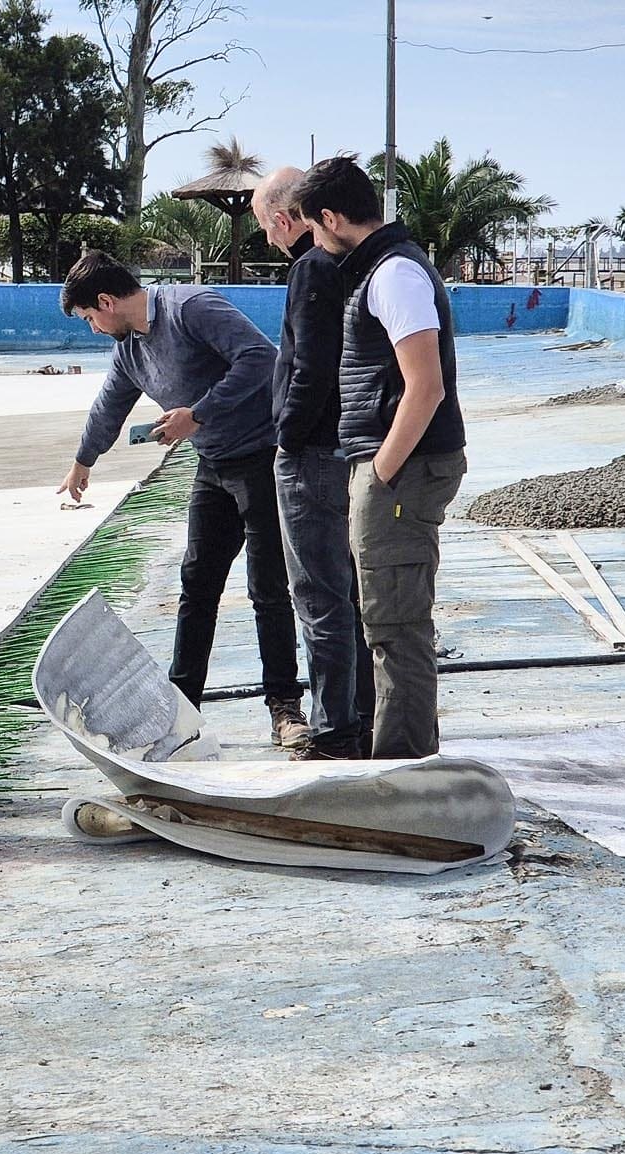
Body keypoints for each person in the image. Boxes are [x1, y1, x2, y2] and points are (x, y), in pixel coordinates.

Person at [57, 252, 308, 750]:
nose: (93, 329)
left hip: (261, 456)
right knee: (197, 586)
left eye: (89, 318)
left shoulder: (191, 308)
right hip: (213, 465)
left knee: (267, 588)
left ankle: (284, 706)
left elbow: (262, 358)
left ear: (106, 301)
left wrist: (198, 413)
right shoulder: (130, 349)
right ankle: (181, 711)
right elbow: (110, 405)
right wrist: (83, 461)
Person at [295, 155, 467, 760]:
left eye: (312, 228)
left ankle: (404, 770)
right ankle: (408, 758)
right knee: (388, 622)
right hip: (393, 467)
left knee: (395, 626)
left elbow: (426, 387)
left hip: (401, 470)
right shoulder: (382, 268)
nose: (314, 243)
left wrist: (380, 472)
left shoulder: (393, 274)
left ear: (331, 218)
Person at [254, 166, 374, 760]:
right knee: (348, 594)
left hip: (313, 453)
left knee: (319, 595)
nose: (268, 239)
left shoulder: (310, 268)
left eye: (266, 227)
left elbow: (310, 366)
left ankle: (333, 731)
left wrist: (288, 436)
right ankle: (361, 717)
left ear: (284, 219)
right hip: (347, 446)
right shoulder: (351, 264)